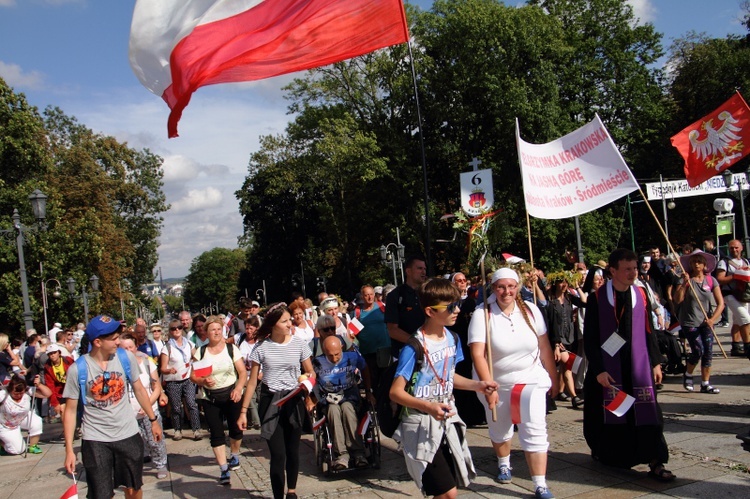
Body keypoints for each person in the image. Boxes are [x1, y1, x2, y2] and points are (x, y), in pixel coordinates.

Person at [391, 278, 498, 499]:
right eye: (449, 307)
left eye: (456, 304)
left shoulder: (452, 338)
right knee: (448, 493)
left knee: (447, 491)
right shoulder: (414, 347)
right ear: (430, 311)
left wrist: (478, 385)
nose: (457, 310)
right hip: (421, 425)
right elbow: (396, 392)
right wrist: (428, 407)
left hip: (446, 422)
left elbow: (448, 378)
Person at [582, 249, 673, 482]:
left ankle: (655, 459)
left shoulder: (640, 294)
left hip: (638, 366)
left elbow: (649, 331)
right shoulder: (597, 298)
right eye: (627, 269)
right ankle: (614, 455)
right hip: (609, 369)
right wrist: (599, 369)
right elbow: (590, 337)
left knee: (649, 413)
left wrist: (655, 362)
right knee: (613, 412)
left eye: (634, 268)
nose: (633, 273)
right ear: (613, 271)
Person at [469, 268, 558, 499]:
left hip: (530, 380)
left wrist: (554, 376)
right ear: (493, 288)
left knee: (534, 428)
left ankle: (540, 483)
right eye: (501, 286)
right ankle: (503, 462)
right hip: (497, 382)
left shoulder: (531, 311)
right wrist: (488, 386)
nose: (506, 291)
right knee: (501, 428)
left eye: (511, 286)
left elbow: (545, 345)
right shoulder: (483, 314)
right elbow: (478, 354)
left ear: (517, 287)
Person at [63, 315, 163, 499]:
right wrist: (69, 449)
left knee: (133, 487)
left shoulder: (125, 358)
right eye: (114, 338)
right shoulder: (78, 369)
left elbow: (139, 389)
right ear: (98, 342)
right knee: (101, 494)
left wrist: (153, 420)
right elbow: (69, 411)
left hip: (128, 433)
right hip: (96, 438)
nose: (119, 341)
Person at [238, 302, 314, 499]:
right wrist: (243, 411)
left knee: (293, 450)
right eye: (285, 321)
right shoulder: (261, 348)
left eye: (290, 320)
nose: (290, 324)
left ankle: (292, 491)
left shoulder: (299, 343)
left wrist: (307, 386)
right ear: (273, 324)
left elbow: (311, 371)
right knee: (278, 454)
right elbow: (252, 381)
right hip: (270, 402)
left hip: (294, 400)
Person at [190, 315, 247, 485]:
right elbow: (193, 376)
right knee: (216, 434)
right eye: (212, 329)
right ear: (206, 333)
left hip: (231, 395)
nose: (216, 332)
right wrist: (202, 380)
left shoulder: (231, 349)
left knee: (236, 430)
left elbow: (243, 373)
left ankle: (235, 455)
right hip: (210, 398)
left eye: (218, 329)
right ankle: (223, 469)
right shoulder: (201, 352)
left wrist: (238, 389)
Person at [312, 335, 373, 470]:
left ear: (342, 348)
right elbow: (311, 378)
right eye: (330, 355)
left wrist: (368, 391)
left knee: (347, 408)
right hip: (328, 397)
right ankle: (341, 454)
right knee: (333, 411)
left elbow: (365, 368)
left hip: (349, 395)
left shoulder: (352, 356)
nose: (334, 359)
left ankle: (358, 452)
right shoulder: (317, 362)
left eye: (337, 354)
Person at [119, 334, 169, 479]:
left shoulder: (147, 362)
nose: (128, 351)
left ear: (136, 347)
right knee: (135, 443)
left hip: (148, 410)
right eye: (124, 348)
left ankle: (160, 464)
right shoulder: (116, 366)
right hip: (128, 413)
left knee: (155, 439)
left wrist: (148, 403)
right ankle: (136, 464)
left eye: (130, 347)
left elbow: (156, 387)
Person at [674, 251, 724, 394]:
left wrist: (712, 319)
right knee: (697, 349)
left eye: (699, 262)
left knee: (708, 352)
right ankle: (688, 374)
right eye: (693, 262)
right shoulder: (685, 279)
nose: (696, 264)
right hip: (690, 322)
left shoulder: (710, 281)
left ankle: (705, 383)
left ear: (704, 265)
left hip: (706, 322)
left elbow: (720, 303)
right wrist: (684, 283)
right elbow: (678, 300)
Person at [546, 273, 585, 409]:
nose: (564, 285)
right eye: (561, 282)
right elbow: (551, 322)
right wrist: (556, 342)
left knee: (564, 368)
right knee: (568, 366)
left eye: (566, 283)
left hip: (569, 336)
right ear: (556, 284)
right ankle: (574, 397)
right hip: (557, 338)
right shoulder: (550, 301)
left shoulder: (569, 298)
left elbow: (584, 302)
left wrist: (578, 287)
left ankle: (559, 392)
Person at [160, 319, 202, 441]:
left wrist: (197, 369)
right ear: (170, 331)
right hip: (173, 381)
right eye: (173, 328)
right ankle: (177, 430)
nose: (177, 330)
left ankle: (196, 430)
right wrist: (169, 370)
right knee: (176, 407)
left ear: (182, 329)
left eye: (179, 327)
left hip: (188, 379)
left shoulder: (189, 344)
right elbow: (162, 368)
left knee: (191, 404)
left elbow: (197, 358)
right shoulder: (167, 347)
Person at [385, 256, 428, 355]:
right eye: (419, 268)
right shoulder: (395, 296)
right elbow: (392, 330)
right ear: (408, 271)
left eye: (424, 269)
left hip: (430, 350)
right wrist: (417, 343)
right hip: (405, 352)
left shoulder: (428, 294)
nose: (423, 272)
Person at [0, 374, 51, 455]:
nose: (19, 395)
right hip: (6, 425)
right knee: (18, 450)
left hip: (22, 418)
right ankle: (2, 443)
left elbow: (47, 394)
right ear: (10, 390)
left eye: (21, 393)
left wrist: (39, 385)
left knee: (37, 421)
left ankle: (33, 446)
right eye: (16, 394)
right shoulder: (3, 394)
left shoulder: (27, 391)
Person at [715, 239, 750, 357]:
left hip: (743, 295)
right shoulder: (724, 262)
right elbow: (720, 279)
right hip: (729, 294)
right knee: (745, 319)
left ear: (741, 248)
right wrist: (735, 276)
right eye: (731, 248)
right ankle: (748, 346)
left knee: (737, 321)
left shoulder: (746, 261)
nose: (734, 250)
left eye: (736, 247)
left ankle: (735, 346)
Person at [351, 284, 390, 390]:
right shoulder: (358, 312)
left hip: (384, 350)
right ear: (362, 297)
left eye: (371, 294)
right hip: (368, 352)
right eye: (366, 295)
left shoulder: (382, 307)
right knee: (373, 381)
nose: (370, 297)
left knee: (386, 380)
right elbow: (352, 333)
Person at [237, 316, 262, 429]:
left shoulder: (261, 342)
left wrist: (262, 374)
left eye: (251, 328)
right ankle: (257, 422)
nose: (248, 331)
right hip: (247, 376)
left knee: (260, 399)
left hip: (261, 375)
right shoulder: (241, 341)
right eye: (247, 328)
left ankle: (260, 419)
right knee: (250, 397)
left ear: (257, 328)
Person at [43, 344, 74, 423]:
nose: (52, 355)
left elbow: (78, 372)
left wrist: (70, 377)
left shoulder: (68, 361)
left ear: (59, 353)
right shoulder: (48, 367)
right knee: (62, 411)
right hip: (60, 392)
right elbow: (50, 386)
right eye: (50, 354)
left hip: (72, 389)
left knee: (75, 411)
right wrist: (55, 403)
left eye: (54, 353)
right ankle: (67, 431)